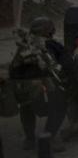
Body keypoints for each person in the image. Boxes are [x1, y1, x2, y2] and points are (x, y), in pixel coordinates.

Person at [10, 16, 74, 153]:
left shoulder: (23, 49)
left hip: (29, 95)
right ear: (48, 31)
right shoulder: (53, 45)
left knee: (25, 105)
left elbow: (13, 71)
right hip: (49, 93)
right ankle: (49, 137)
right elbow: (69, 66)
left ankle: (29, 139)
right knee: (62, 104)